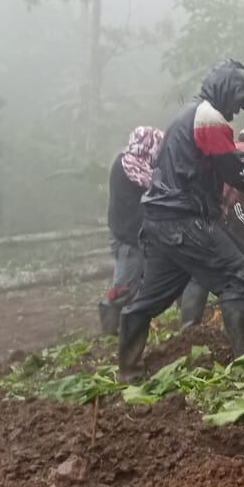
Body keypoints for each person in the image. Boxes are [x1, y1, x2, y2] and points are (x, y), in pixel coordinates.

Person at [117, 60, 244, 382]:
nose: (237, 112)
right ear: (227, 92)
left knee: (150, 299)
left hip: (160, 221)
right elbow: (235, 172)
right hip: (186, 219)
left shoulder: (192, 115)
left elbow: (229, 157)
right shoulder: (209, 118)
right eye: (238, 102)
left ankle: (128, 370)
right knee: (239, 274)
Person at [178, 122, 244, 330]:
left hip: (198, 215)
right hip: (213, 217)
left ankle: (189, 323)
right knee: (239, 267)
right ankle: (240, 327)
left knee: (205, 267)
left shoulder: (235, 149)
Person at [99, 126, 163, 335]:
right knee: (124, 286)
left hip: (131, 233)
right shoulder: (131, 166)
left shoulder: (130, 162)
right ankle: (110, 329)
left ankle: (122, 326)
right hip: (128, 235)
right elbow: (158, 187)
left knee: (134, 282)